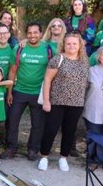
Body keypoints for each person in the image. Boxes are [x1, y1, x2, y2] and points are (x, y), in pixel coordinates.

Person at [37, 33, 90, 172]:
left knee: (70, 132)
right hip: (57, 102)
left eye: (74, 43)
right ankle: (44, 156)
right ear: (64, 45)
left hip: (76, 103)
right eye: (68, 43)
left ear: (79, 45)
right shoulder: (58, 59)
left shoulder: (85, 61)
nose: (71, 46)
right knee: (51, 130)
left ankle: (63, 157)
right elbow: (47, 80)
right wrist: (46, 101)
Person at [2, 22, 52, 160]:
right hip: (19, 91)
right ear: (26, 34)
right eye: (29, 33)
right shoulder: (19, 48)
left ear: (41, 34)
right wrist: (10, 92)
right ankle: (11, 148)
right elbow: (12, 71)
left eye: (35, 32)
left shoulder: (48, 49)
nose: (32, 35)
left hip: (38, 92)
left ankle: (33, 150)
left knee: (37, 124)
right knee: (12, 121)